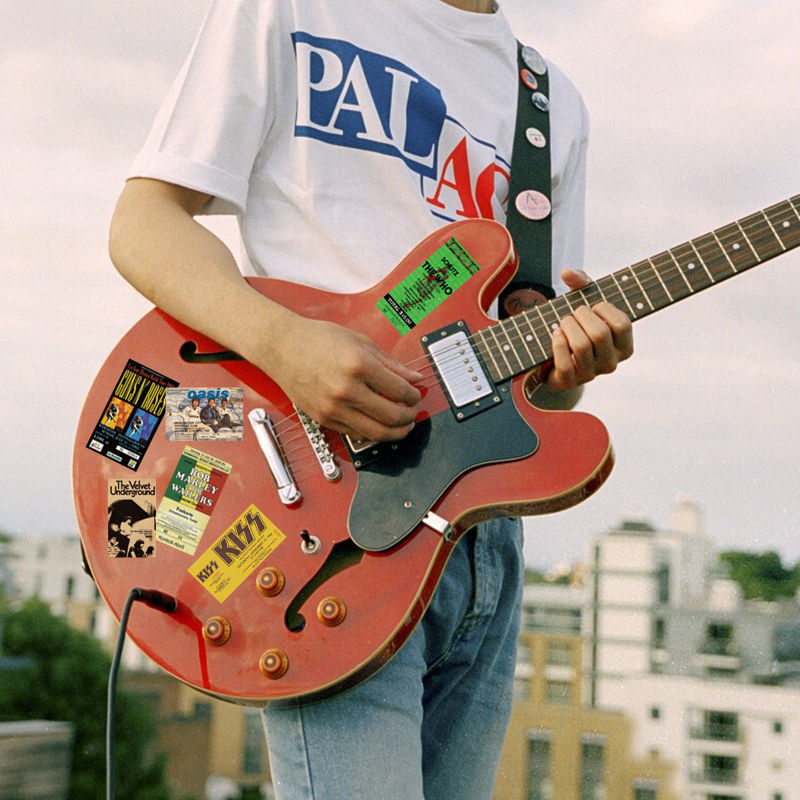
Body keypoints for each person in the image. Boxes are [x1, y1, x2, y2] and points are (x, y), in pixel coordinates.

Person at [108, 1, 633, 797]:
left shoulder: (550, 100)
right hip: (328, 532)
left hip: (481, 537)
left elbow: (540, 406)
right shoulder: (293, 7)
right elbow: (143, 224)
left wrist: (571, 368)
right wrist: (284, 345)